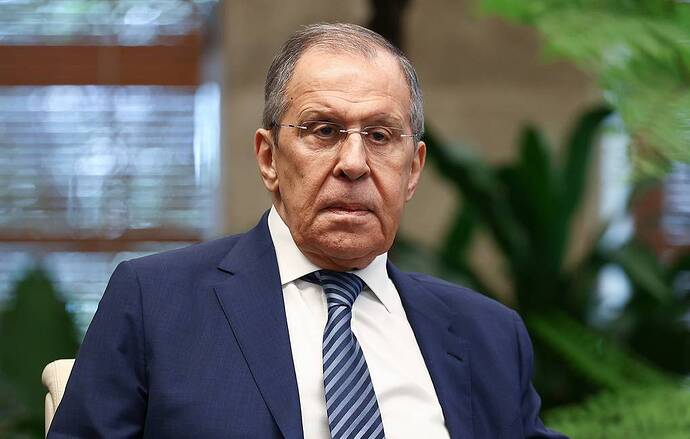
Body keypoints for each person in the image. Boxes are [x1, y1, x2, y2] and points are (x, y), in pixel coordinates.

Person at [48, 23, 567, 439]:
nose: (354, 163)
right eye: (324, 130)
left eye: (380, 135)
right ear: (269, 157)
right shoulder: (155, 302)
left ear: (412, 170)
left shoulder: (489, 335)